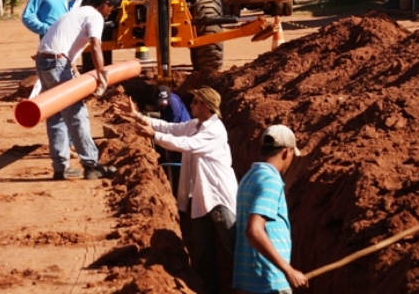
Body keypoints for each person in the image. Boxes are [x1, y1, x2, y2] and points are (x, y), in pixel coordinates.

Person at [116, 86, 237, 294]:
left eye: (195, 102)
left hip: (219, 200)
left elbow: (185, 144)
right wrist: (137, 116)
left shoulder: (215, 130)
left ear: (206, 106)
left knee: (235, 248)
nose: (190, 106)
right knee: (203, 254)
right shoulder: (196, 125)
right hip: (200, 201)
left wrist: (153, 135)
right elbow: (170, 128)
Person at [35, 0, 120, 181]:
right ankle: (91, 165)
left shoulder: (76, 13)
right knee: (76, 114)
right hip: (56, 62)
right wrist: (102, 75)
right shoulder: (95, 16)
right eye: (111, 9)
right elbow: (96, 46)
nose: (110, 14)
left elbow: (65, 42)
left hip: (43, 60)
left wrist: (72, 68)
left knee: (56, 115)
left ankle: (61, 167)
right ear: (106, 3)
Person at [233, 125, 308, 293]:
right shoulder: (270, 182)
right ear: (286, 152)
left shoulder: (249, 177)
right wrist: (288, 270)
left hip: (249, 280)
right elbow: (254, 230)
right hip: (269, 283)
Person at [152, 85, 191, 197]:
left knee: (178, 168)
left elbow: (173, 129)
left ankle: (179, 193)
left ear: (168, 97)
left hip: (182, 135)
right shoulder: (164, 101)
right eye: (160, 102)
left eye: (164, 102)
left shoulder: (174, 107)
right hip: (175, 130)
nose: (162, 104)